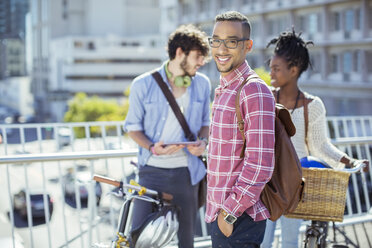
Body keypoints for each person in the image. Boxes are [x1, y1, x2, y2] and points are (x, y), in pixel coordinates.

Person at [261, 29, 370, 248]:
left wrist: (350, 162)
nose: (270, 73)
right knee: (262, 242)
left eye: (276, 68)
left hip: (294, 185)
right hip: (265, 183)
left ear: (293, 70)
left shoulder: (314, 106)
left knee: (290, 242)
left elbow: (320, 146)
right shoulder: (264, 99)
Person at [123, 24, 210, 248]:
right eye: (197, 57)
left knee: (186, 241)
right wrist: (152, 147)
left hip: (186, 172)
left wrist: (202, 142)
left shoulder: (202, 84)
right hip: (151, 171)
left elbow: (205, 124)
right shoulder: (143, 84)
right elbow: (132, 127)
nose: (201, 63)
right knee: (138, 239)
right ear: (180, 52)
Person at [205, 11, 276, 248]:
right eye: (216, 40)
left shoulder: (253, 89)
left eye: (231, 41)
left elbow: (261, 163)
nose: (221, 49)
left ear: (248, 46)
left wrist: (229, 213)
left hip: (239, 219)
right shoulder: (224, 88)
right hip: (221, 216)